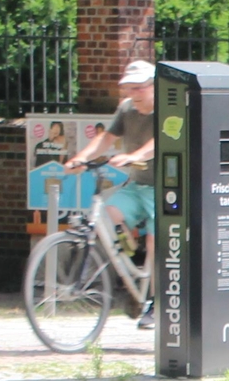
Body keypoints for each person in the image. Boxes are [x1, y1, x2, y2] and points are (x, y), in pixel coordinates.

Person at [65, 61, 159, 326]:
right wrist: (80, 158)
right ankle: (134, 278)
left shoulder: (168, 109)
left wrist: (135, 155)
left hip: (166, 190)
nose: (134, 94)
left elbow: (162, 140)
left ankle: (156, 300)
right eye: (129, 88)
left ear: (154, 86)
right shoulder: (126, 108)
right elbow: (106, 139)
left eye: (139, 88)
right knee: (109, 215)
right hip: (138, 185)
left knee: (157, 244)